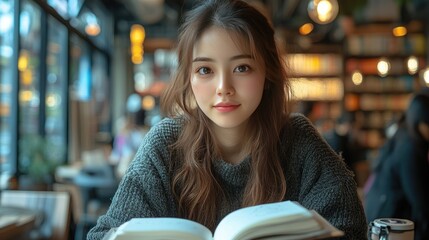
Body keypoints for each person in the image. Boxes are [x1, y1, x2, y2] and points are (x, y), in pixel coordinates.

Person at [87, 0, 367, 239]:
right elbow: (106, 234)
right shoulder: (166, 144)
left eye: (242, 67)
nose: (224, 87)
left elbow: (349, 229)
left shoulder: (299, 142)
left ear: (267, 74)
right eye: (205, 70)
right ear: (189, 77)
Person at [365, 91, 429, 240]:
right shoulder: (409, 150)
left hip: (380, 216)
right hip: (390, 226)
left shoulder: (404, 133)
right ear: (420, 123)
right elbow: (421, 204)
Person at [323, 111, 369, 187]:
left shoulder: (333, 136)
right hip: (341, 179)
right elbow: (351, 159)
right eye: (353, 126)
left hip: (338, 178)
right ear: (348, 124)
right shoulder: (340, 139)